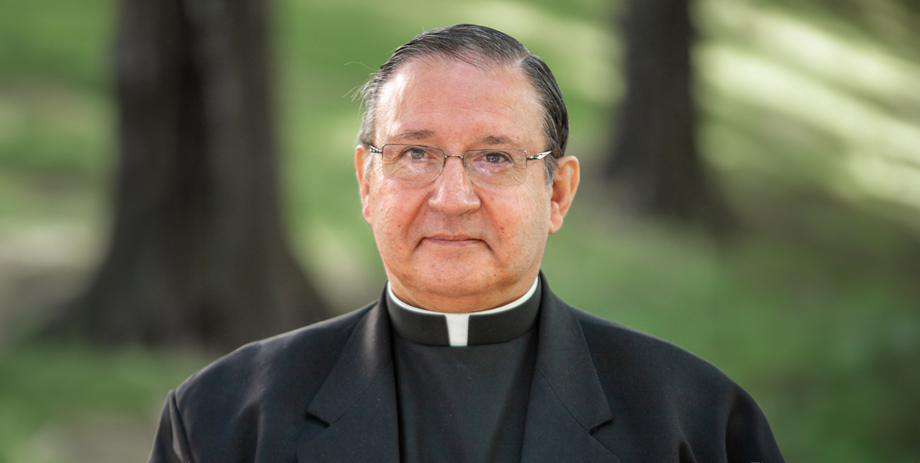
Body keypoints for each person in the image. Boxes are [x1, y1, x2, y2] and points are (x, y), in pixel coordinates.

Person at [148, 24, 784, 463]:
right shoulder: (224, 421)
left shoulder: (695, 423)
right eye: (415, 153)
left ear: (557, 193)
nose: (452, 197)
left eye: (494, 157)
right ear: (368, 183)